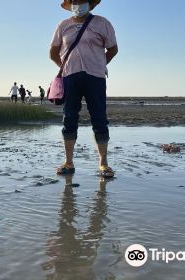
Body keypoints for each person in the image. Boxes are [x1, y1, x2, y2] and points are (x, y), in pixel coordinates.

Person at [50, 0, 118, 177]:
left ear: (90, 3)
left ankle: (103, 164)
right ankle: (68, 162)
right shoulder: (63, 25)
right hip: (70, 77)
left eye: (82, 1)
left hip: (95, 77)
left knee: (99, 118)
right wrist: (65, 68)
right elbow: (52, 52)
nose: (78, 4)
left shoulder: (102, 23)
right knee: (69, 117)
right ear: (70, 4)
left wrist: (99, 63)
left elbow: (112, 49)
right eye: (75, 1)